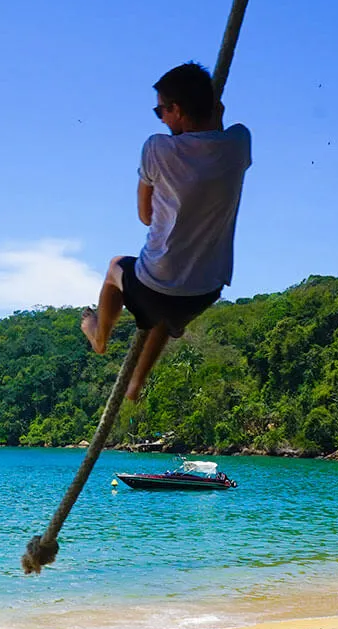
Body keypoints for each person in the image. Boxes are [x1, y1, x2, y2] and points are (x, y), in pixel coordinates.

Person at [80, 62, 252, 400]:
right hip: (205, 292)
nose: (160, 119)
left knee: (116, 266)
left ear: (178, 110)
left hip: (155, 287)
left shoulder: (157, 148)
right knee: (162, 316)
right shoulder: (239, 142)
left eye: (161, 110)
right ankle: (135, 385)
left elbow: (145, 216)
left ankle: (99, 336)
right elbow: (216, 130)